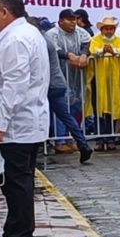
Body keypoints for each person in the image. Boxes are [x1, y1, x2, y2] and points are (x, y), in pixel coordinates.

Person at [0, 0, 51, 237]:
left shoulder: (17, 39)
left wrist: (0, 123)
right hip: (21, 123)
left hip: (17, 125)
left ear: (5, 12)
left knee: (18, 182)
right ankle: (14, 232)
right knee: (13, 182)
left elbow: (15, 85)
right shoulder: (19, 35)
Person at [30, 17, 91, 163]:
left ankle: (38, 145)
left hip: (48, 84)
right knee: (65, 116)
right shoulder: (45, 39)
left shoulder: (39, 41)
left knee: (40, 114)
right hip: (57, 82)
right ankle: (82, 143)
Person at [46, 8, 92, 142]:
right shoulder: (52, 33)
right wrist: (68, 55)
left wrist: (84, 54)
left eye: (74, 19)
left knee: (74, 106)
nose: (73, 23)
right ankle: (60, 140)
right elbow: (55, 50)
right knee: (62, 109)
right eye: (69, 20)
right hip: (58, 77)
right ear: (61, 21)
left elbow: (87, 43)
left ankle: (69, 138)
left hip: (77, 75)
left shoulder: (80, 31)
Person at [88, 17, 120, 150]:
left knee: (112, 108)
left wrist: (113, 51)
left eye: (111, 28)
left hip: (114, 79)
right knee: (99, 109)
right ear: (101, 29)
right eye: (106, 28)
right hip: (99, 79)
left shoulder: (119, 40)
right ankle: (100, 139)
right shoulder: (96, 39)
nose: (109, 31)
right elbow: (93, 50)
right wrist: (102, 51)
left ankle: (110, 138)